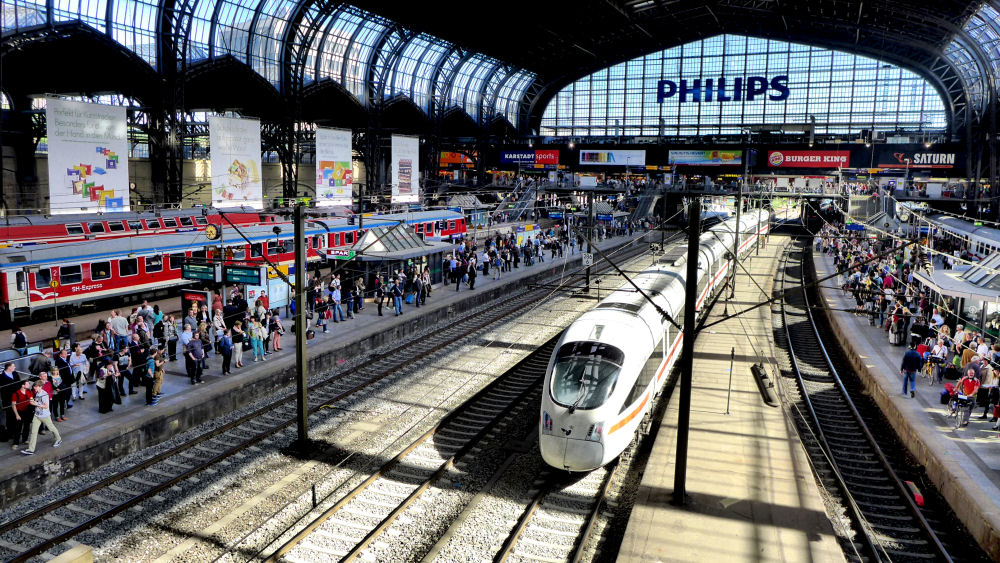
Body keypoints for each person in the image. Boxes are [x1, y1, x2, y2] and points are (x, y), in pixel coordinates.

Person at [20, 380, 61, 454]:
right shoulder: (37, 393)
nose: (34, 388)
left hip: (45, 415)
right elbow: (35, 402)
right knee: (33, 432)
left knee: (51, 428)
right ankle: (31, 449)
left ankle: (58, 439)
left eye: (36, 387)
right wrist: (31, 402)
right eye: (34, 386)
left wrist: (36, 404)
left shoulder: (44, 394)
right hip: (37, 415)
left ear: (40, 387)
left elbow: (46, 406)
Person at [10, 379, 34, 450]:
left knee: (27, 426)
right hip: (19, 412)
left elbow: (32, 401)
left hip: (28, 411)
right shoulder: (16, 393)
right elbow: (13, 405)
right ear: (23, 385)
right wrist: (17, 415)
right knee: (18, 428)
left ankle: (25, 440)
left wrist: (38, 405)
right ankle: (15, 443)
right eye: (27, 384)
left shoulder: (29, 391)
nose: (29, 385)